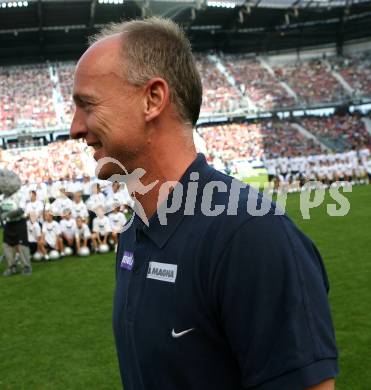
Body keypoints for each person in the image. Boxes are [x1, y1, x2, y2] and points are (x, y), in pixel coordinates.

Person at [70, 17, 338, 390]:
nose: (75, 128)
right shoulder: (135, 233)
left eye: (87, 105)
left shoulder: (250, 235)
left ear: (153, 99)